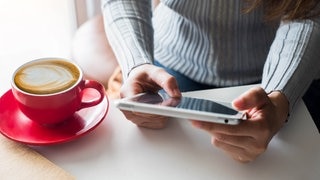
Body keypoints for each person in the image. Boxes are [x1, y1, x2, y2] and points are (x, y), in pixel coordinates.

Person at [91, 0, 320, 163]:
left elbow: (309, 12)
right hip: (165, 68)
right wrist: (136, 62)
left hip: (284, 72)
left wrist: (279, 95)